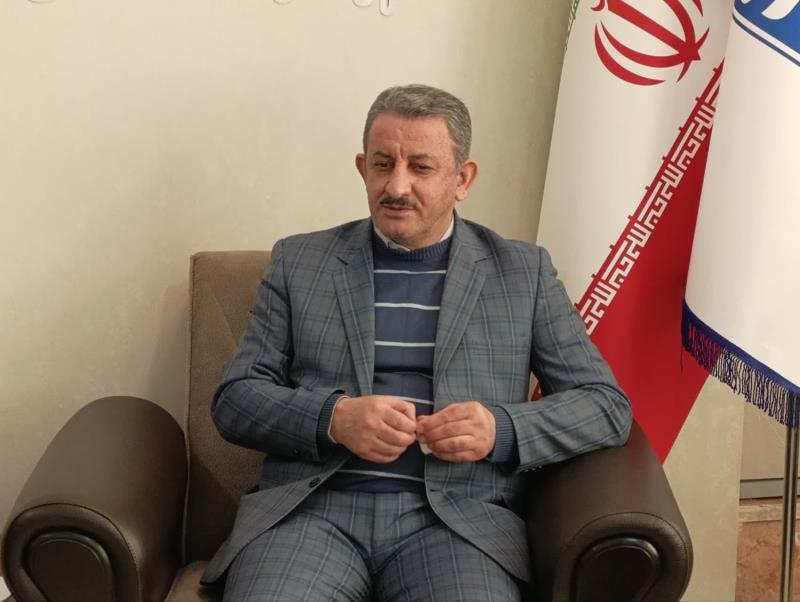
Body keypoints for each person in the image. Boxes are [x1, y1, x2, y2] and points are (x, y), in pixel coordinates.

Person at [201, 84, 632, 601]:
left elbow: (605, 406)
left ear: (462, 179)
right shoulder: (300, 262)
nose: (396, 186)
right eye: (383, 165)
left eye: (421, 167)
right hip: (310, 514)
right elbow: (235, 400)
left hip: (457, 526)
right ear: (362, 167)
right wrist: (333, 418)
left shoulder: (523, 272)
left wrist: (501, 429)